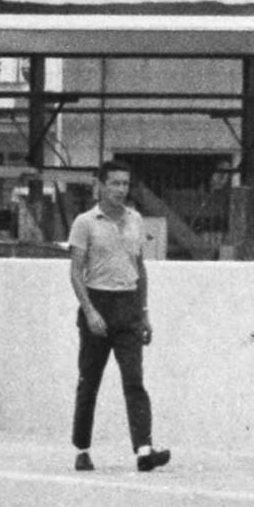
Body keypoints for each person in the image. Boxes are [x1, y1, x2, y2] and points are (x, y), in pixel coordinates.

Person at [66, 161, 169, 473]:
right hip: (98, 303)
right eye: (115, 184)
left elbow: (140, 267)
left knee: (134, 380)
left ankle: (144, 450)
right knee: (89, 382)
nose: (121, 190)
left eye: (125, 184)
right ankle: (82, 449)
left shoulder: (136, 219)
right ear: (101, 185)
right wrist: (90, 311)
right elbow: (75, 272)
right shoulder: (85, 223)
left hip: (128, 307)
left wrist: (144, 312)